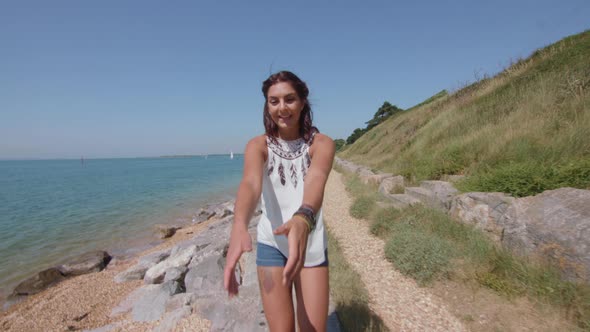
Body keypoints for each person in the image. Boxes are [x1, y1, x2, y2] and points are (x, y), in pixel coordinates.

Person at [223, 70, 335, 331]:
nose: (282, 108)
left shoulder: (322, 143)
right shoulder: (257, 145)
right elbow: (250, 183)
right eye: (274, 101)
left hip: (309, 242)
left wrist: (302, 218)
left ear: (302, 101)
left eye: (289, 99)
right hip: (271, 244)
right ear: (267, 105)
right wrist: (239, 225)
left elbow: (316, 179)